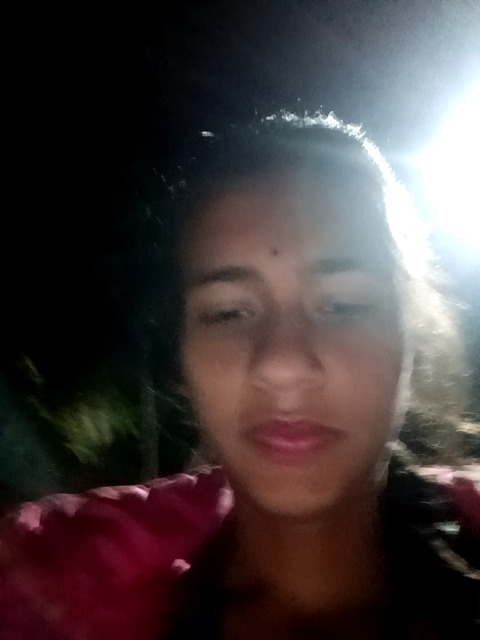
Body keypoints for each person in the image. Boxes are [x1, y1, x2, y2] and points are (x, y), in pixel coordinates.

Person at [0, 113, 479, 639]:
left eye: (342, 306)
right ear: (182, 355)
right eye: (229, 313)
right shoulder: (45, 596)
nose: (281, 364)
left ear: (412, 337)